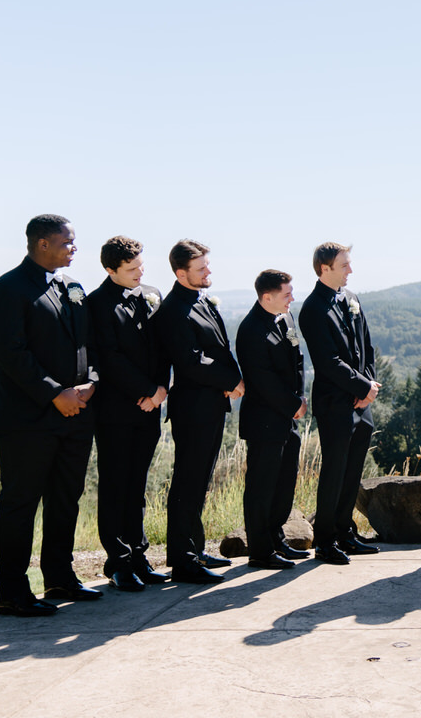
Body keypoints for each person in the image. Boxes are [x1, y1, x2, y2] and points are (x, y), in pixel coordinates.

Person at [0, 214, 99, 615]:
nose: (74, 248)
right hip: (24, 419)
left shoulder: (73, 287)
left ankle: (60, 579)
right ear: (42, 244)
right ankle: (12, 592)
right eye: (67, 242)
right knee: (21, 504)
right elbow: (12, 354)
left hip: (76, 413)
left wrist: (91, 383)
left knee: (66, 500)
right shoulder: (8, 289)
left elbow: (88, 342)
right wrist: (55, 394)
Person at [155, 239, 243, 583]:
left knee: (199, 481)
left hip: (210, 404)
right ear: (181, 273)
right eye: (201, 268)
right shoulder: (174, 310)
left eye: (207, 266)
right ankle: (182, 560)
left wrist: (232, 378)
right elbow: (191, 362)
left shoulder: (200, 300)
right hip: (192, 407)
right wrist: (230, 380)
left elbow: (220, 347)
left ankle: (194, 547)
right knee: (187, 482)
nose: (209, 272)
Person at [87, 236, 170, 592]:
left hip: (150, 406)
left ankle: (139, 555)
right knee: (116, 485)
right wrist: (145, 391)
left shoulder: (151, 294)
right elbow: (109, 358)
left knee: (138, 486)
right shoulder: (96, 304)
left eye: (140, 265)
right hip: (116, 410)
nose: (140, 272)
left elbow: (165, 346)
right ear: (110, 270)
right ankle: (118, 562)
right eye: (131, 268)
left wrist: (160, 390)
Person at [299, 242, 382, 565]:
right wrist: (361, 386)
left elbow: (367, 347)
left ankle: (345, 532)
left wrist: (369, 386)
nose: (351, 270)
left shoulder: (352, 299)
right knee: (334, 472)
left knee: (352, 471)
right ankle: (325, 541)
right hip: (335, 403)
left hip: (362, 402)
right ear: (325, 269)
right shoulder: (313, 309)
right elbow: (328, 361)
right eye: (345, 265)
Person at [236, 270, 308, 570]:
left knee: (284, 483)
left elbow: (298, 359)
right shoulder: (251, 330)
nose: (292, 298)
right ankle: (260, 550)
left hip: (287, 417)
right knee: (261, 487)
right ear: (267, 297)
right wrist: (293, 404)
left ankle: (277, 538)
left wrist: (300, 398)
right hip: (264, 420)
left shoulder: (287, 319)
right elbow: (262, 380)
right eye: (286, 294)